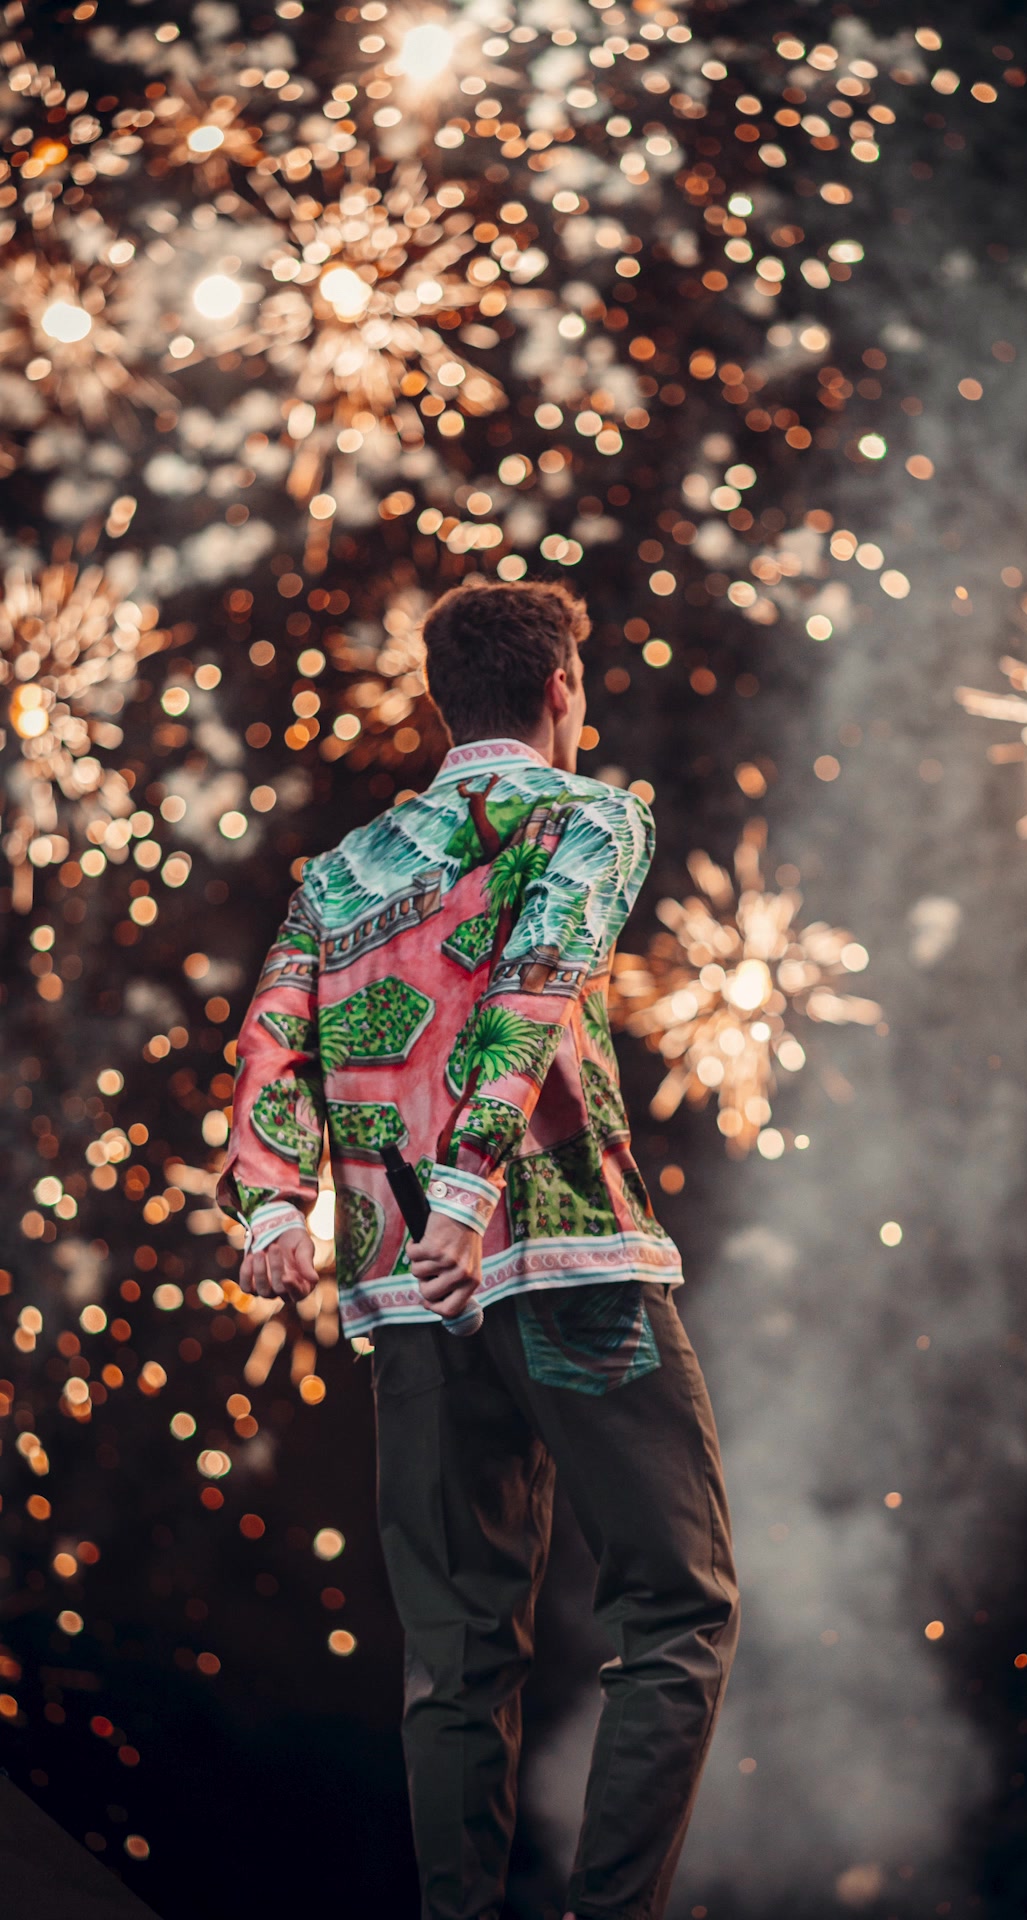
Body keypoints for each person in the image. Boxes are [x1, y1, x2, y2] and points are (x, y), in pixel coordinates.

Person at [217, 580, 739, 1920]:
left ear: (443, 700)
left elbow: (273, 1039)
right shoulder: (588, 816)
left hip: (405, 1297)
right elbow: (536, 979)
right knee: (677, 1608)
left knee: (455, 1659)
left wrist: (273, 1210)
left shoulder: (341, 871)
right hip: (566, 1264)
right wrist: (468, 1189)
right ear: (562, 688)